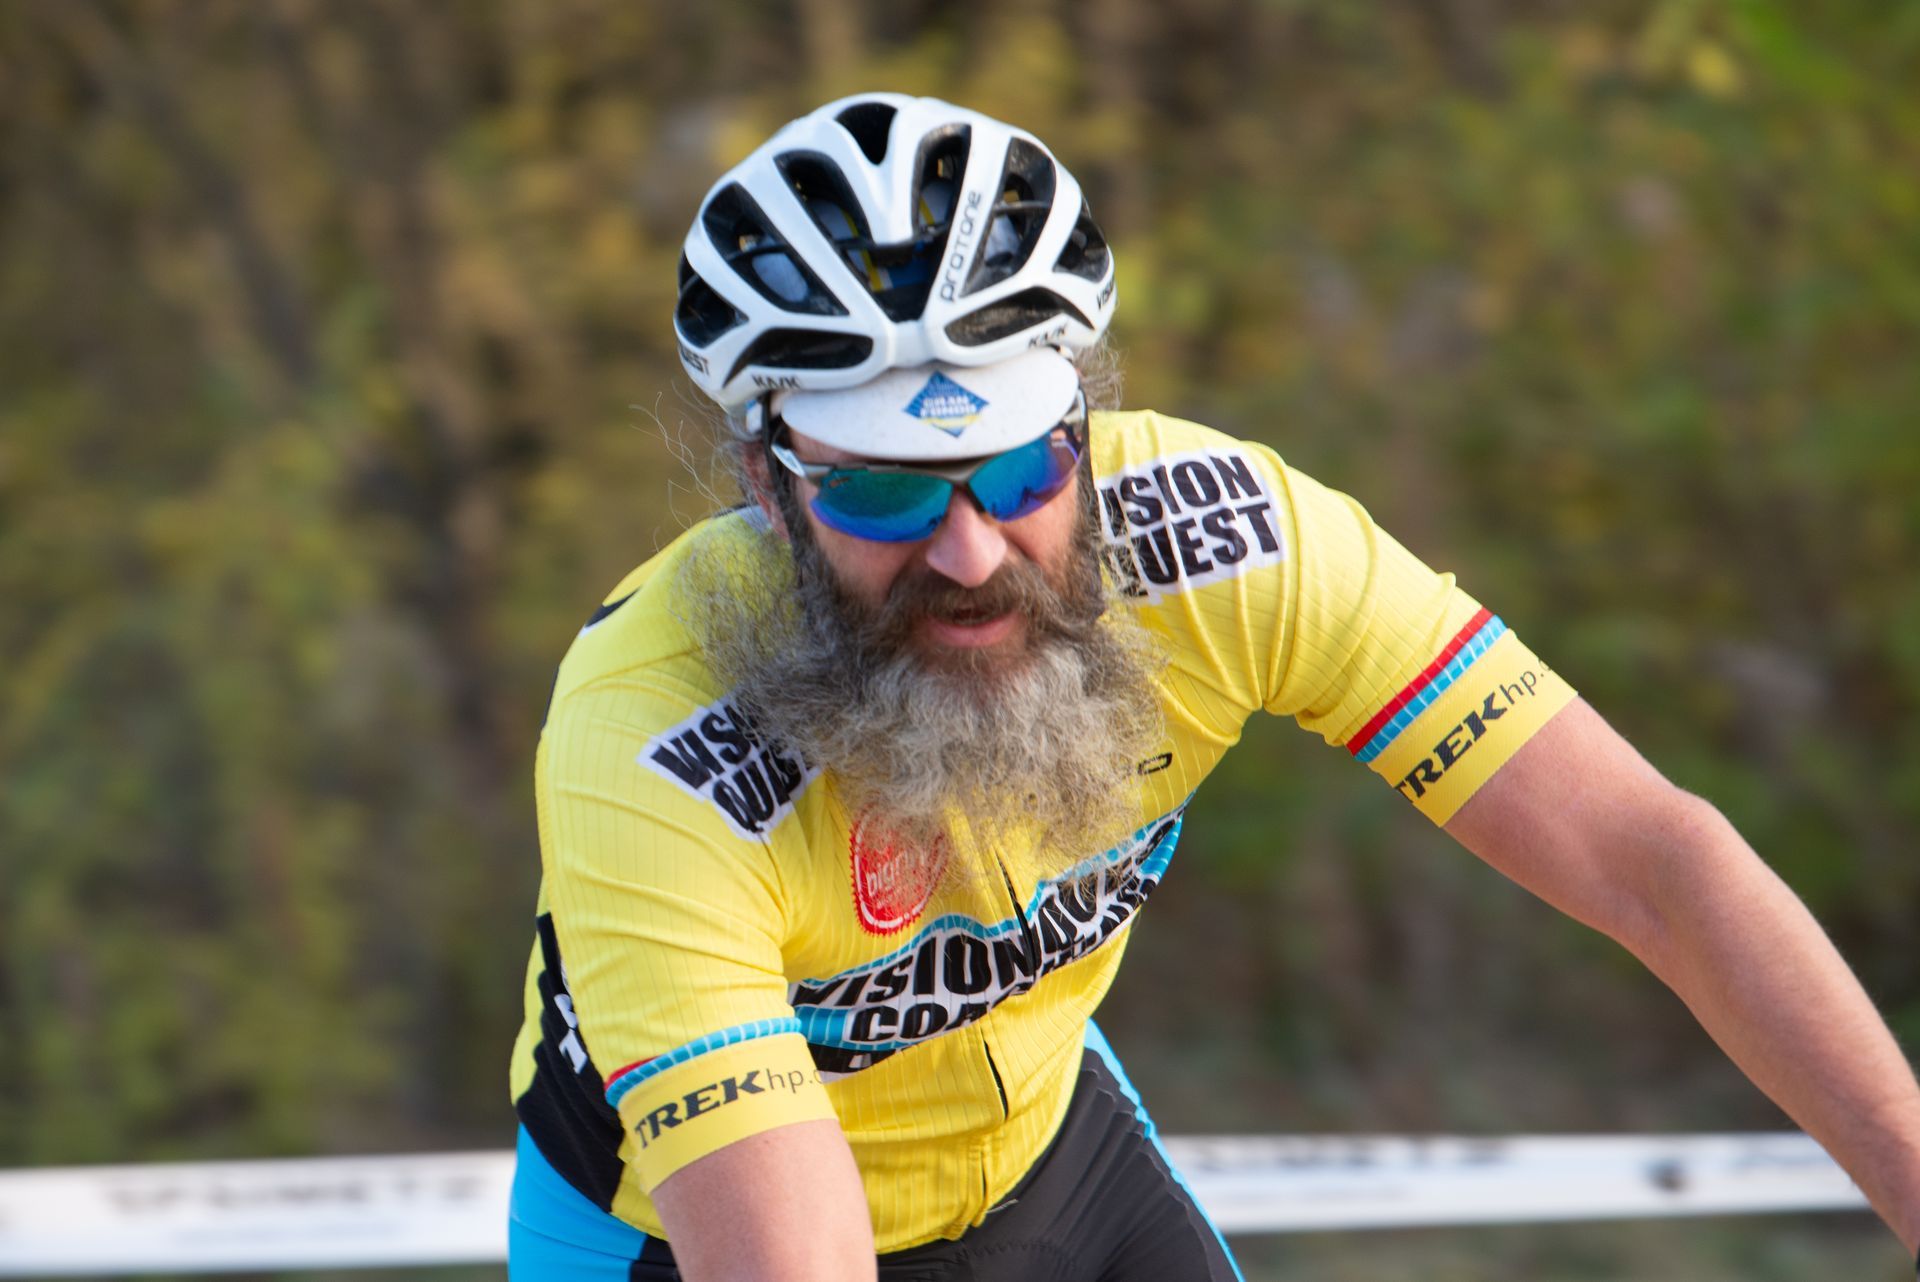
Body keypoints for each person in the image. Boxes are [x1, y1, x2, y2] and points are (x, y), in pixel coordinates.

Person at [506, 93, 1920, 1281]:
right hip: (678, 1233)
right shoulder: (646, 738)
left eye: (1020, 468)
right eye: (883, 490)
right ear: (766, 479)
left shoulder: (1221, 538)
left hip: (1049, 1157)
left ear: (1083, 421)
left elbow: (1651, 859)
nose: (972, 549)